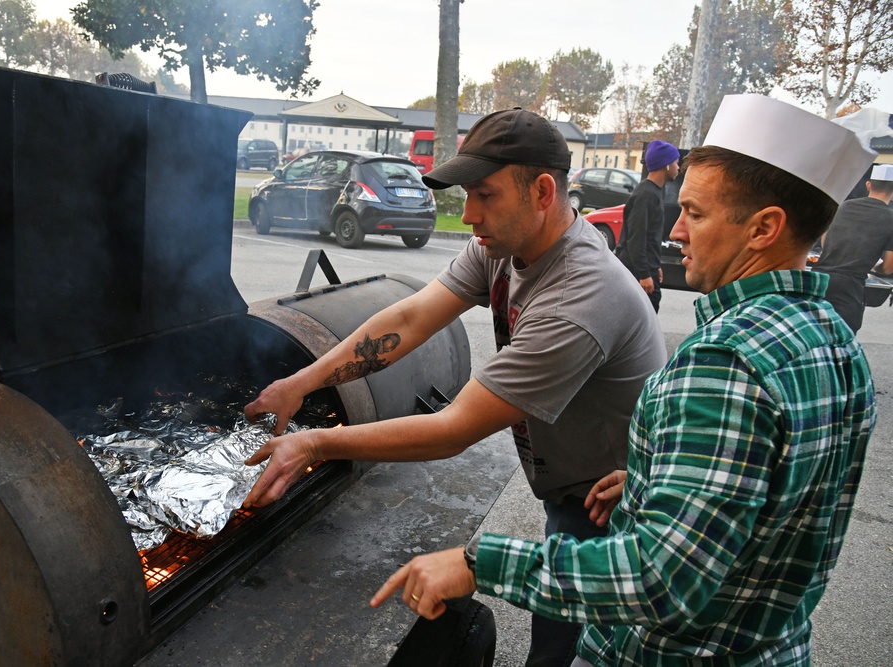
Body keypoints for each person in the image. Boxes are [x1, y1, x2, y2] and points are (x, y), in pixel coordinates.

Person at [371, 94, 877, 667]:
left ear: (764, 228)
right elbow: (773, 495)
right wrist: (655, 475)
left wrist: (477, 563)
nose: (678, 232)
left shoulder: (724, 362)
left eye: (696, 213)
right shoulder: (835, 342)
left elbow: (662, 579)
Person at [242, 108, 667, 667]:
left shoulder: (581, 294)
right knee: (555, 638)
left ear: (542, 191)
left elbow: (452, 430)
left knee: (576, 653)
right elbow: (414, 317)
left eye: (484, 195)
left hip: (615, 506)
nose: (468, 215)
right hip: (572, 489)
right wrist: (302, 381)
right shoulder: (506, 245)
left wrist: (316, 443)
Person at [813, 163, 893, 333]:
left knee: (813, 336)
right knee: (842, 341)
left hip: (818, 280)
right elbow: (888, 267)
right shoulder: (891, 218)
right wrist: (873, 267)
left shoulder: (842, 207)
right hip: (849, 288)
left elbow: (824, 243)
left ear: (868, 185)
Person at [614, 139, 680, 312]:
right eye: (676, 162)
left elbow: (651, 236)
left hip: (646, 268)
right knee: (642, 320)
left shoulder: (654, 191)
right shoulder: (646, 194)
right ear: (666, 165)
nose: (678, 167)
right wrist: (644, 274)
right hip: (636, 271)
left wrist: (655, 266)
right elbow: (636, 237)